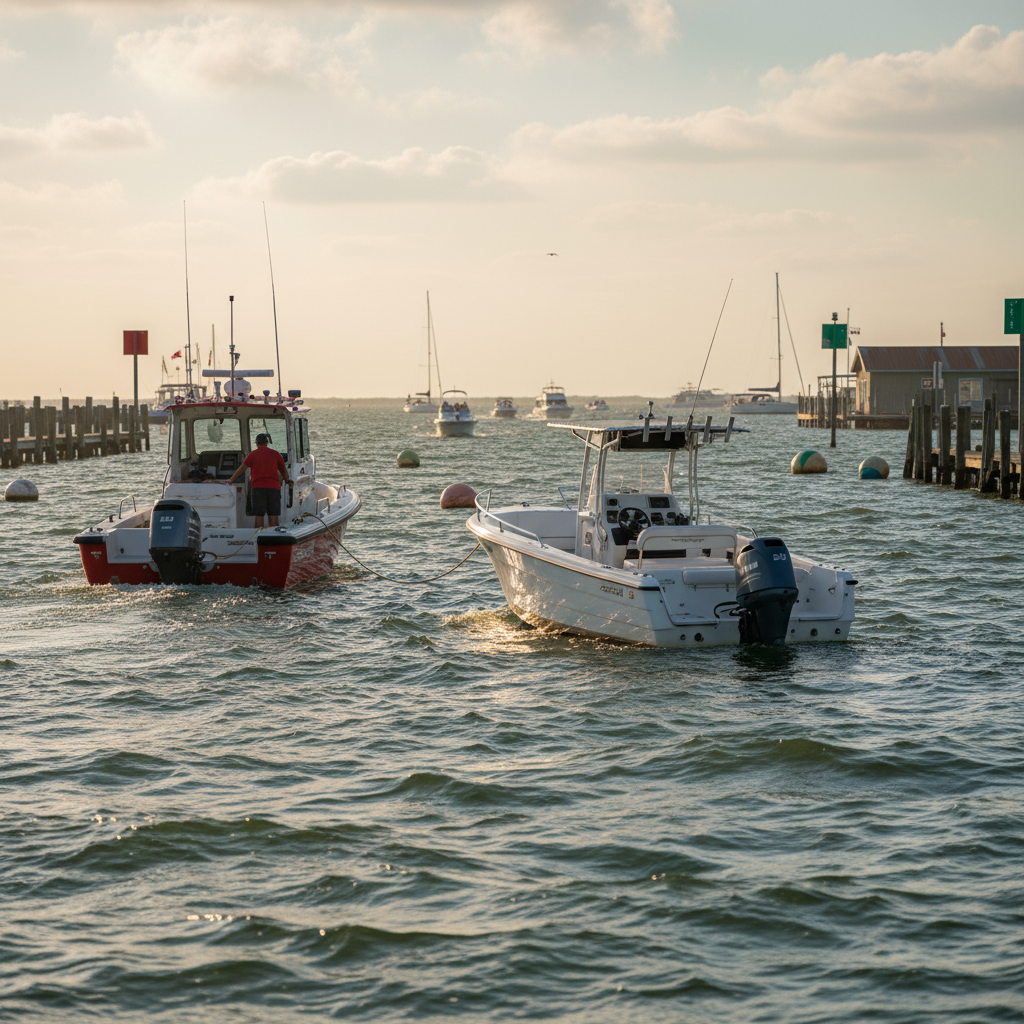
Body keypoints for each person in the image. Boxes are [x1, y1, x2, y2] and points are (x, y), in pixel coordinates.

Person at [226, 432, 293, 528]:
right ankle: (274, 539)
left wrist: (231, 480)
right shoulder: (276, 454)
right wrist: (287, 480)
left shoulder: (252, 455)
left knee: (259, 516)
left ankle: (258, 537)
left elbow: (242, 469)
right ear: (267, 443)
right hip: (273, 488)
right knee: (273, 517)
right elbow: (283, 471)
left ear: (256, 444)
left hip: (258, 488)